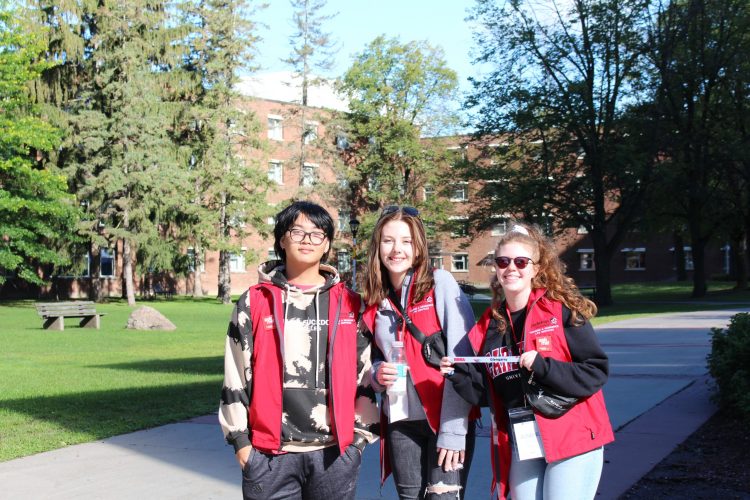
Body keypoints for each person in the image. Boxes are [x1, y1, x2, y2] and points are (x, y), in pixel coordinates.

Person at [441, 221, 614, 500]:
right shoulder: (489, 326)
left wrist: (543, 367)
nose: (512, 268)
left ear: (535, 268)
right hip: (523, 440)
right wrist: (455, 374)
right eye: (503, 261)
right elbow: (487, 394)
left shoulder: (560, 311)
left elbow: (595, 371)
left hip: (572, 435)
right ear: (496, 269)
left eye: (521, 262)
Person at [219, 201, 379, 500]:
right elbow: (235, 372)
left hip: (334, 453)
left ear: (327, 243)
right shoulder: (255, 301)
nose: (307, 240)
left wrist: (358, 440)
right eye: (297, 232)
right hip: (270, 456)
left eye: (317, 233)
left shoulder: (351, 304)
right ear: (282, 239)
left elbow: (365, 374)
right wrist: (241, 442)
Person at [361, 205, 477, 499]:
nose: (396, 249)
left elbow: (463, 361)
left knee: (443, 496)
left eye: (406, 241)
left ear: (419, 246)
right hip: (402, 421)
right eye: (388, 240)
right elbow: (373, 359)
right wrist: (377, 374)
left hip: (445, 420)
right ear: (378, 246)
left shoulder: (439, 284)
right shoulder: (375, 299)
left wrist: (452, 432)